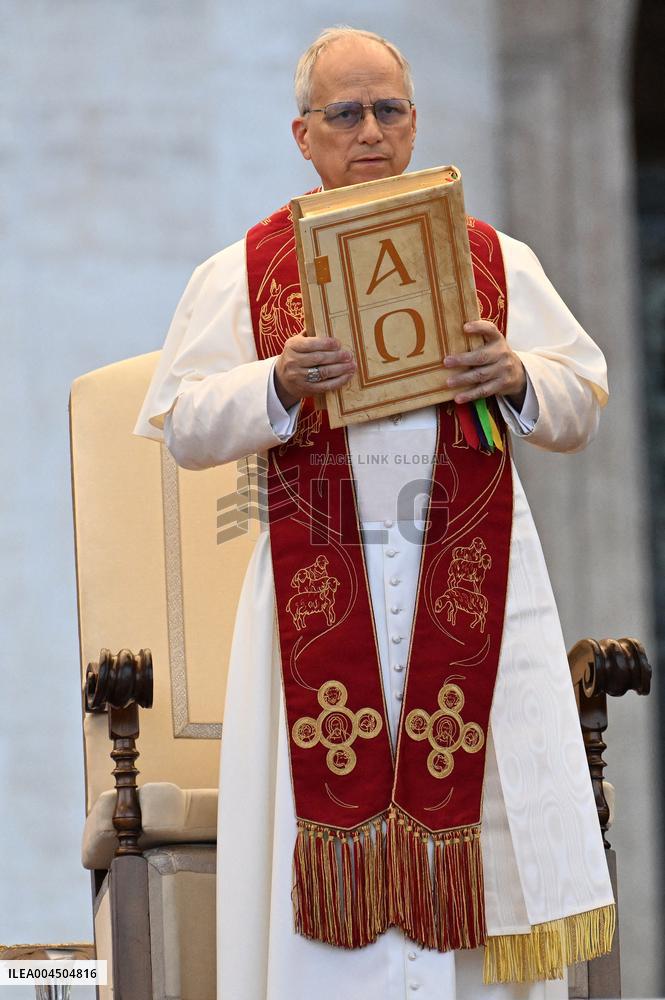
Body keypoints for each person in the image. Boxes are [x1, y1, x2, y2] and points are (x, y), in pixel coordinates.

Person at [135, 26, 614, 1000]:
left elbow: (581, 396)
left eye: (386, 110)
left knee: (481, 831)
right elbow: (182, 421)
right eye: (344, 114)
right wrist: (275, 378)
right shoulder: (243, 271)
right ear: (302, 133)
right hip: (319, 608)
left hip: (474, 603)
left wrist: (515, 373)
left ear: (413, 123)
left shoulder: (492, 257)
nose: (368, 132)